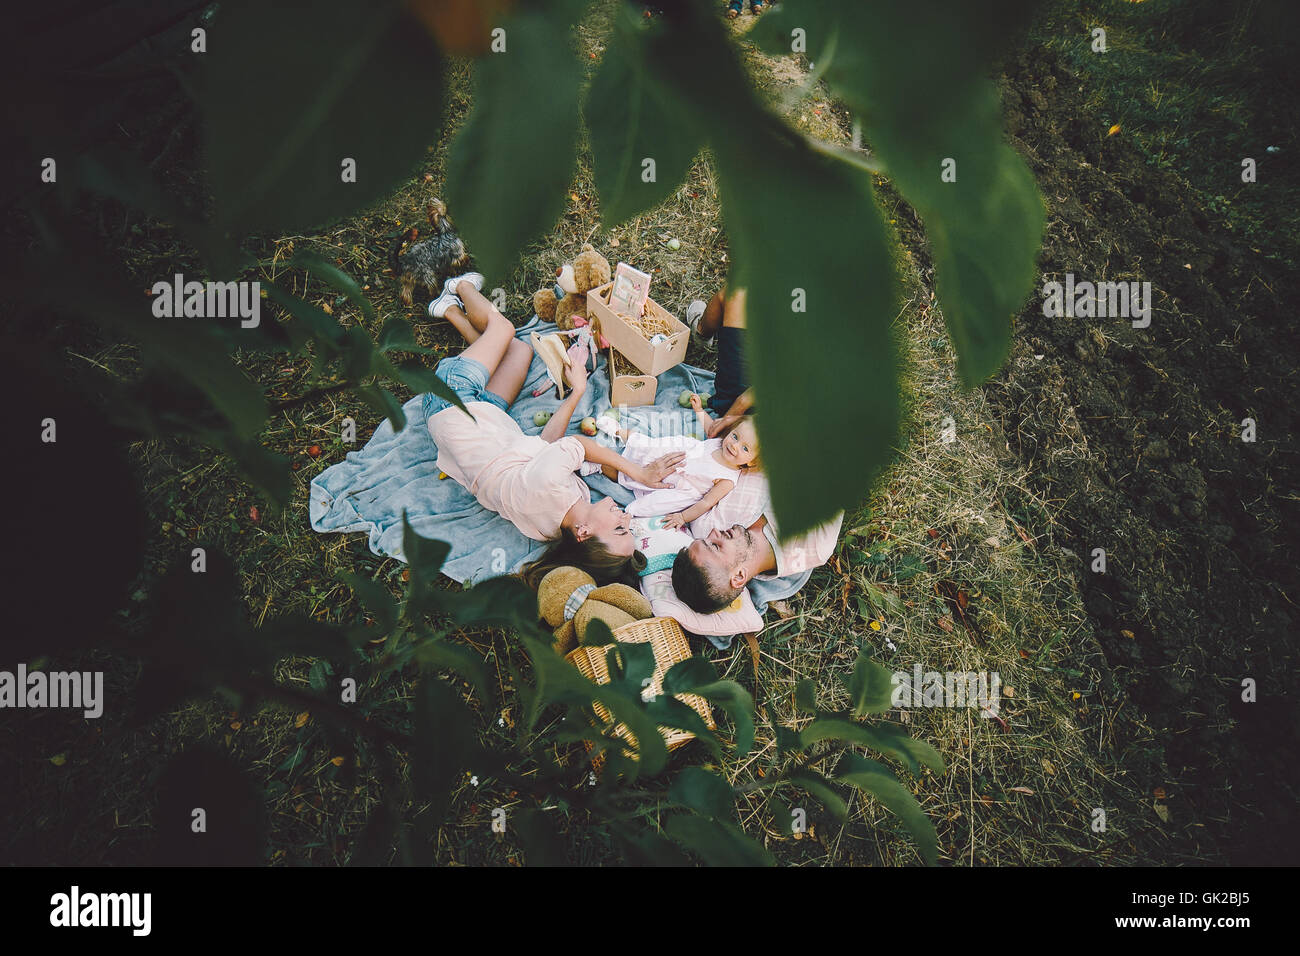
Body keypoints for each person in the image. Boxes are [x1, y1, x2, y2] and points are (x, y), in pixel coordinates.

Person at [420, 274, 686, 587]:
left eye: (619, 528)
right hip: (488, 419)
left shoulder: (547, 488)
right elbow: (544, 446)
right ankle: (449, 310)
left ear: (584, 533)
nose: (626, 518)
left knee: (504, 330)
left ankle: (458, 287)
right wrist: (577, 391)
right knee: (519, 352)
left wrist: (639, 473)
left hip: (450, 401)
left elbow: (576, 444)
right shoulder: (555, 524)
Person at [675, 283, 844, 614]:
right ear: (739, 577)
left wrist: (735, 412)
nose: (714, 534)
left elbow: (695, 473)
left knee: (735, 292)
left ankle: (701, 331)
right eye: (714, 546)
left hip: (738, 420)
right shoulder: (810, 539)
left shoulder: (708, 526)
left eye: (709, 541)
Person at [597, 396, 760, 530]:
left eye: (745, 448)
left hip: (683, 488)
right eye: (735, 436)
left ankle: (628, 513)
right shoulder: (721, 442)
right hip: (680, 458)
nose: (734, 445)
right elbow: (710, 428)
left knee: (657, 503)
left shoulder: (728, 479)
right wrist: (699, 410)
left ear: (752, 462)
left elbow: (706, 502)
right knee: (649, 445)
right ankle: (617, 431)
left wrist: (683, 517)